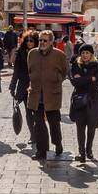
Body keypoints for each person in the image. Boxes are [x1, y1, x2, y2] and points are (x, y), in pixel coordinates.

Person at [27, 29, 69, 159]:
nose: (42, 42)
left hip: (52, 94)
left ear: (51, 42)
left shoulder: (59, 55)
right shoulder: (32, 53)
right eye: (40, 40)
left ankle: (58, 143)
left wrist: (56, 79)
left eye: (45, 40)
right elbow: (30, 70)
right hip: (36, 94)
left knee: (54, 123)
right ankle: (42, 151)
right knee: (38, 124)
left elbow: (64, 71)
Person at [68, 43, 98, 163]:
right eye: (83, 53)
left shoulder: (97, 65)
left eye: (87, 53)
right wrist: (90, 78)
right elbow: (74, 82)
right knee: (80, 127)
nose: (85, 55)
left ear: (91, 54)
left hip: (93, 100)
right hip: (79, 100)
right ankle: (81, 153)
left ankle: (89, 150)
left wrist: (82, 79)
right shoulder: (75, 65)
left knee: (91, 127)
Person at [9, 30, 37, 105]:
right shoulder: (20, 52)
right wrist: (12, 86)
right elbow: (16, 71)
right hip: (24, 84)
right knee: (28, 111)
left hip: (37, 86)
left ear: (36, 42)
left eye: (31, 41)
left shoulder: (40, 53)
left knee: (37, 113)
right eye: (27, 40)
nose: (29, 42)